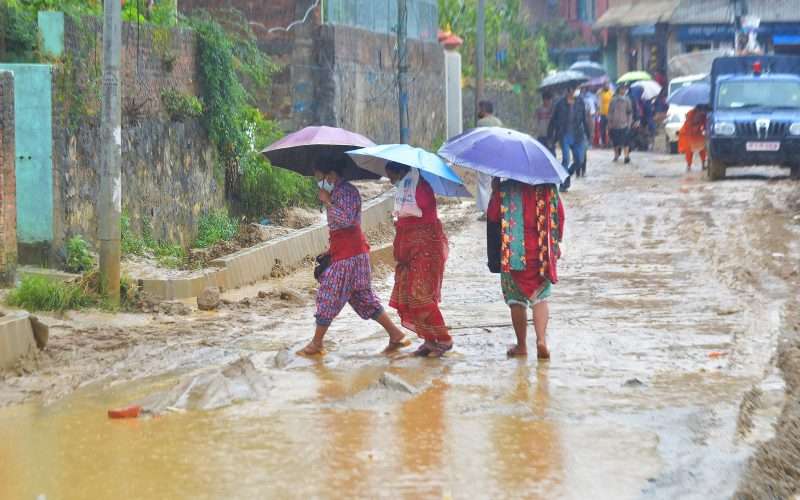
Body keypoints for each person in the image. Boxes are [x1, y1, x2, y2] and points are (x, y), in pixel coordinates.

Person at [298, 163, 409, 356]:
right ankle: (396, 334)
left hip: (349, 257)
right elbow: (340, 228)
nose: (319, 183)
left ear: (331, 174)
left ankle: (317, 343)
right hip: (348, 253)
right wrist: (331, 249)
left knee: (327, 293)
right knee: (363, 298)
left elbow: (347, 220)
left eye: (319, 177)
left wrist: (327, 202)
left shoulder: (346, 192)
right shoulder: (339, 192)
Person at [487, 178, 565, 359]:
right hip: (541, 254)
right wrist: (556, 241)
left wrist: (495, 191)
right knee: (541, 298)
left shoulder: (505, 189)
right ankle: (541, 341)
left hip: (513, 254)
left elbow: (492, 216)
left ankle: (521, 346)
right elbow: (559, 216)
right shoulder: (548, 189)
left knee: (516, 301)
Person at [384, 162, 452, 357]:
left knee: (421, 296)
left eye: (392, 176)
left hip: (426, 252)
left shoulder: (420, 189)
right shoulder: (405, 191)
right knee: (408, 296)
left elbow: (418, 207)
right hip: (409, 255)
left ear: (402, 172)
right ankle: (430, 340)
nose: (390, 180)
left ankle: (445, 339)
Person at [548, 84, 592, 190]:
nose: (576, 91)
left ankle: (567, 176)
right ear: (569, 90)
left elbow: (584, 119)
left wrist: (589, 134)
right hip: (564, 135)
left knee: (579, 160)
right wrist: (550, 137)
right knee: (566, 159)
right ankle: (563, 183)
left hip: (578, 135)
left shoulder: (580, 102)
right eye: (574, 89)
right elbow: (553, 121)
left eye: (577, 89)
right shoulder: (560, 104)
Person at [476, 100, 503, 217]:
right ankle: (497, 209)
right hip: (497, 156)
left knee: (483, 183)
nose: (479, 111)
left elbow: (478, 140)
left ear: (484, 110)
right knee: (496, 183)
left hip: (484, 156)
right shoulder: (499, 122)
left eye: (480, 109)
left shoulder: (481, 123)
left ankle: (487, 212)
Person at [678, 104, 709, 171]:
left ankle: (703, 164)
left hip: (698, 132)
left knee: (702, 148)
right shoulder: (690, 114)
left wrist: (706, 132)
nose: (702, 113)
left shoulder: (704, 115)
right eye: (701, 112)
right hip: (687, 132)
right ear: (697, 110)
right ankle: (688, 166)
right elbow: (688, 126)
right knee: (689, 149)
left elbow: (705, 125)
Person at [608, 84, 633, 164]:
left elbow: (629, 112)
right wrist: (610, 122)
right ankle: (616, 155)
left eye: (624, 89)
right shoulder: (613, 100)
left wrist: (629, 123)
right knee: (615, 142)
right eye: (622, 89)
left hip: (624, 124)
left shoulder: (627, 100)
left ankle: (626, 156)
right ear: (619, 90)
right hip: (615, 124)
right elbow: (610, 112)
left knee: (626, 141)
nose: (623, 91)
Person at [597, 82, 614, 147]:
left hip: (610, 114)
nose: (606, 86)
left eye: (607, 85)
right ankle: (604, 143)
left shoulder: (611, 92)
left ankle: (610, 142)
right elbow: (598, 99)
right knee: (602, 129)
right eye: (605, 85)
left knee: (610, 129)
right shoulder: (600, 92)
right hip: (602, 114)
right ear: (603, 86)